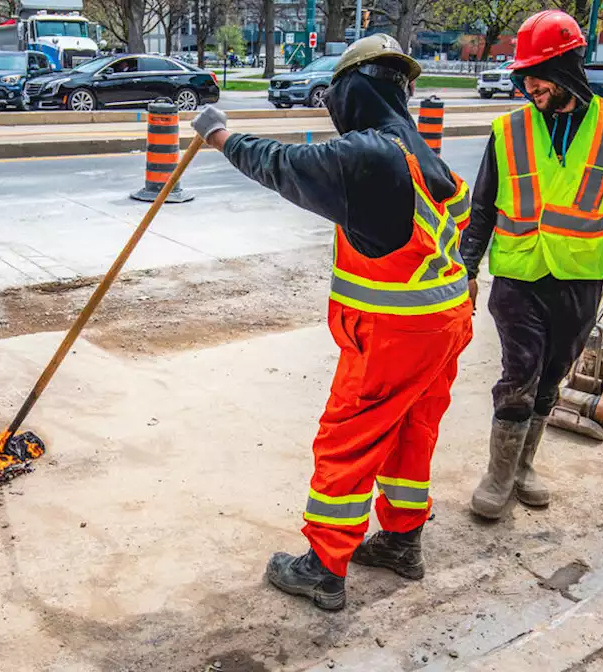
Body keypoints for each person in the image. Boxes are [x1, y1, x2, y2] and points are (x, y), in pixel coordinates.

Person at [190, 34, 475, 610]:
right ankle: (400, 541)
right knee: (411, 432)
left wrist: (219, 134)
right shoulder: (421, 152)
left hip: (395, 334)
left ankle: (323, 565)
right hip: (445, 324)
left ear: (353, 92)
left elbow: (282, 163)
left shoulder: (369, 155)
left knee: (347, 440)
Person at [458, 10, 603, 521]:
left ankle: (524, 467)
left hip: (579, 278)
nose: (529, 85)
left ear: (569, 68)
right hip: (518, 276)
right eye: (524, 75)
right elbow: (482, 205)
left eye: (539, 73)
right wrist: (467, 267)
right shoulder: (510, 130)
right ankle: (498, 475)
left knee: (552, 376)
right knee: (519, 370)